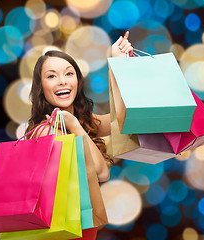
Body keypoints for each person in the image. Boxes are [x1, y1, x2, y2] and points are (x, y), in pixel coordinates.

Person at [25, 31, 133, 182]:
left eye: (69, 73)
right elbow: (101, 173)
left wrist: (118, 64)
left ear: (78, 81)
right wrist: (74, 125)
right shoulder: (46, 132)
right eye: (51, 76)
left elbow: (125, 119)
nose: (62, 81)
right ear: (41, 88)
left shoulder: (83, 120)